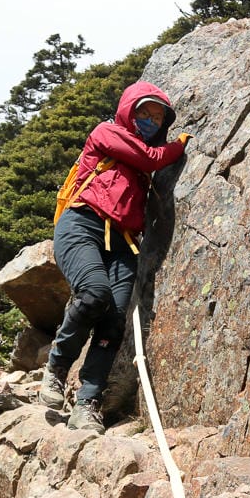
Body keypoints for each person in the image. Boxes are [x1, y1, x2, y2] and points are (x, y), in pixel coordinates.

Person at [39, 80, 190, 433]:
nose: (151, 121)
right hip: (82, 224)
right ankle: (57, 369)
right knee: (94, 295)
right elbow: (150, 157)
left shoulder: (137, 165)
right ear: (128, 109)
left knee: (114, 320)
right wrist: (178, 145)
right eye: (145, 112)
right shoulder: (108, 132)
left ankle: (86, 403)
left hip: (124, 242)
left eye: (157, 117)